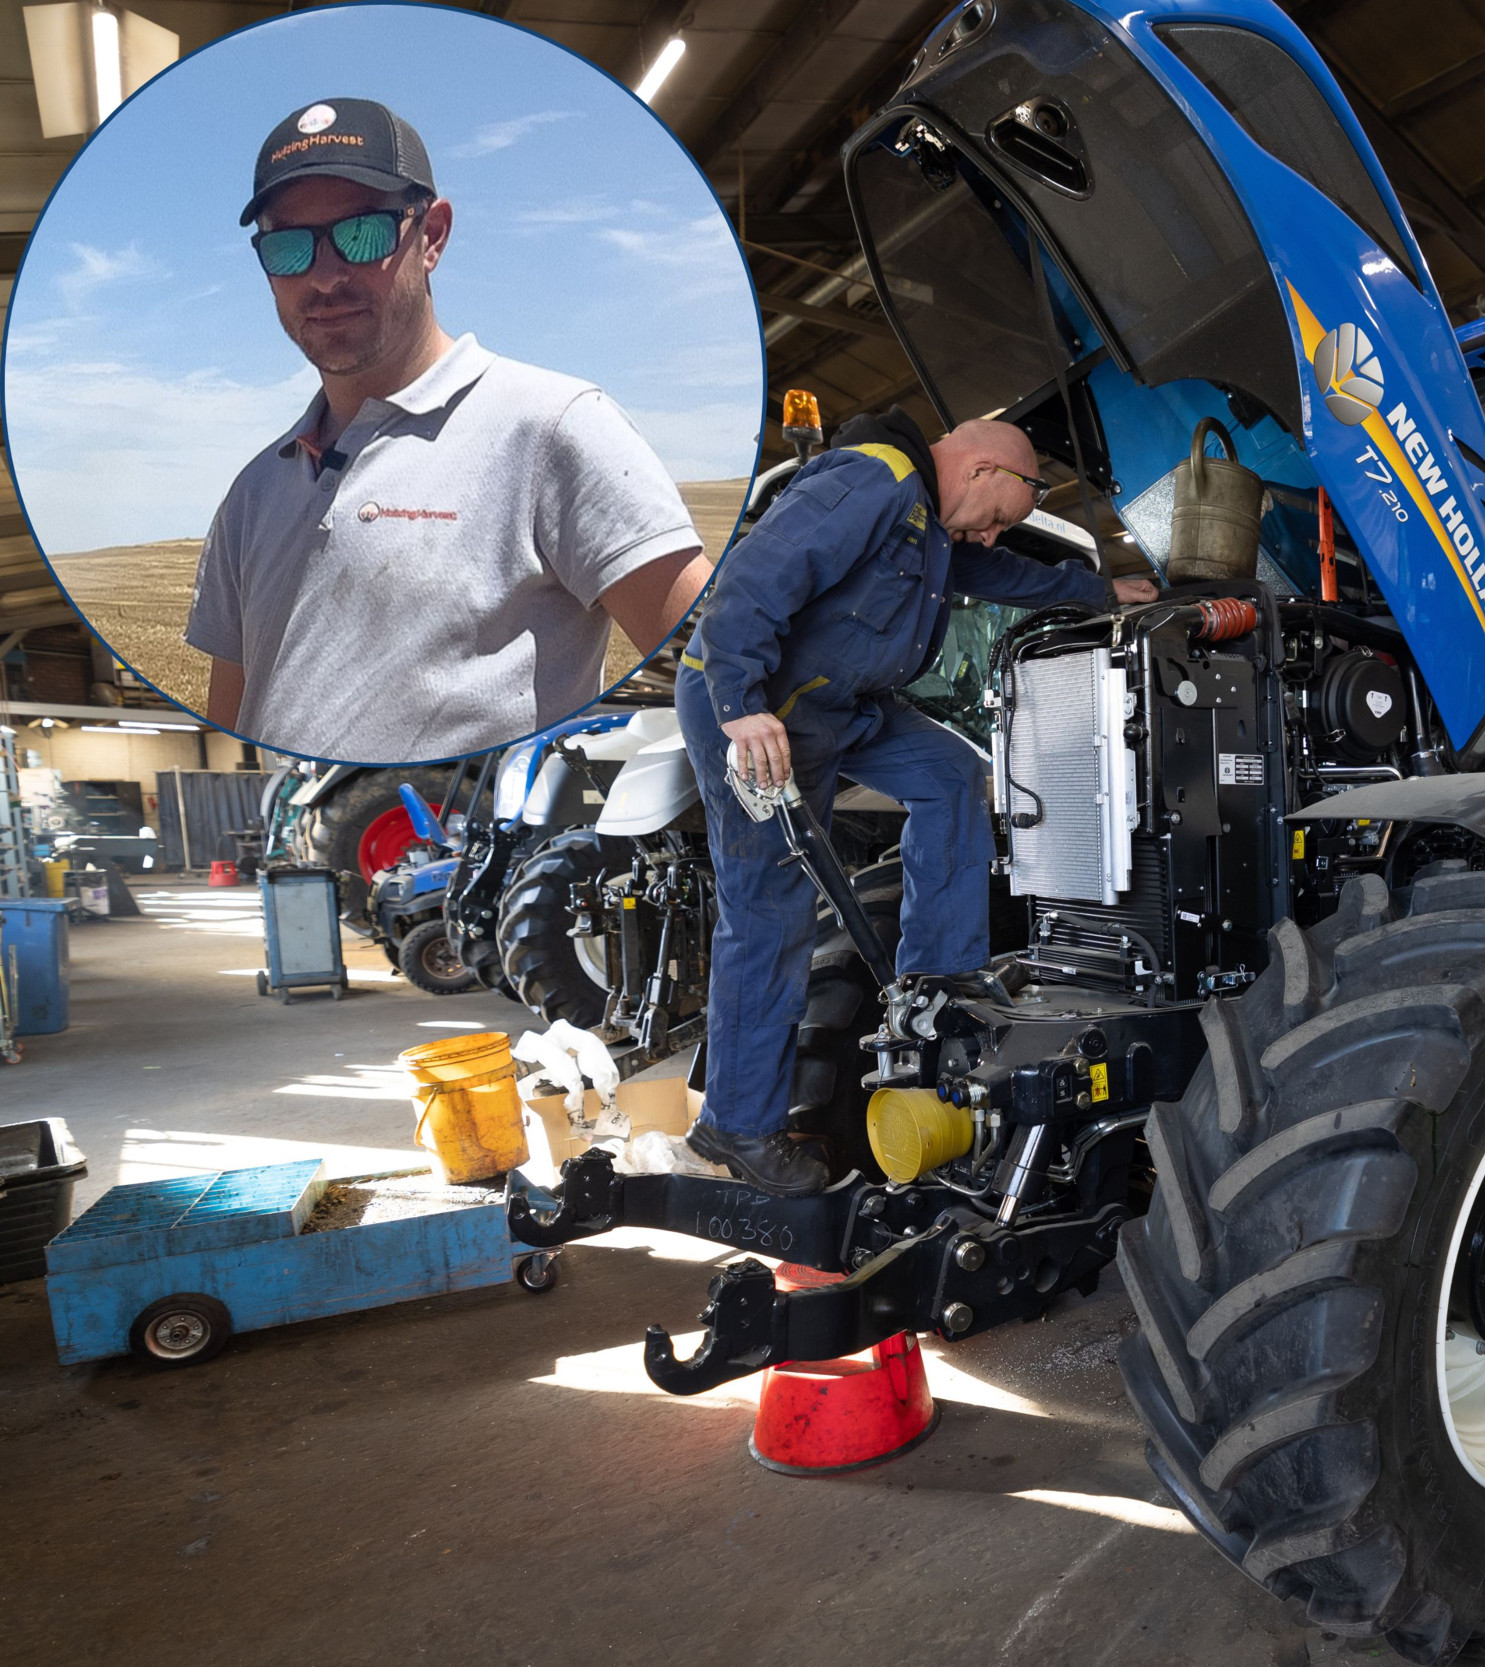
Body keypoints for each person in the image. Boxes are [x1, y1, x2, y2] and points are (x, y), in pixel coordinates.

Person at [678, 407, 1157, 1195]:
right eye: (1001, 515)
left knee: (951, 775)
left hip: (839, 708)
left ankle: (942, 975)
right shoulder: (875, 479)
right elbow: (757, 576)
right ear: (980, 472)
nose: (994, 534)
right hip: (764, 712)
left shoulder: (933, 524)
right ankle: (737, 1125)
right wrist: (739, 700)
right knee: (771, 911)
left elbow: (1003, 576)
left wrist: (1101, 592)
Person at [183, 98, 710, 762]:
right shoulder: (252, 495)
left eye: (362, 233)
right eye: (287, 247)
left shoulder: (552, 430)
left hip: (490, 863)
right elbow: (233, 723)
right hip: (307, 857)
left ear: (431, 235)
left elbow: (725, 665)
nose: (323, 275)